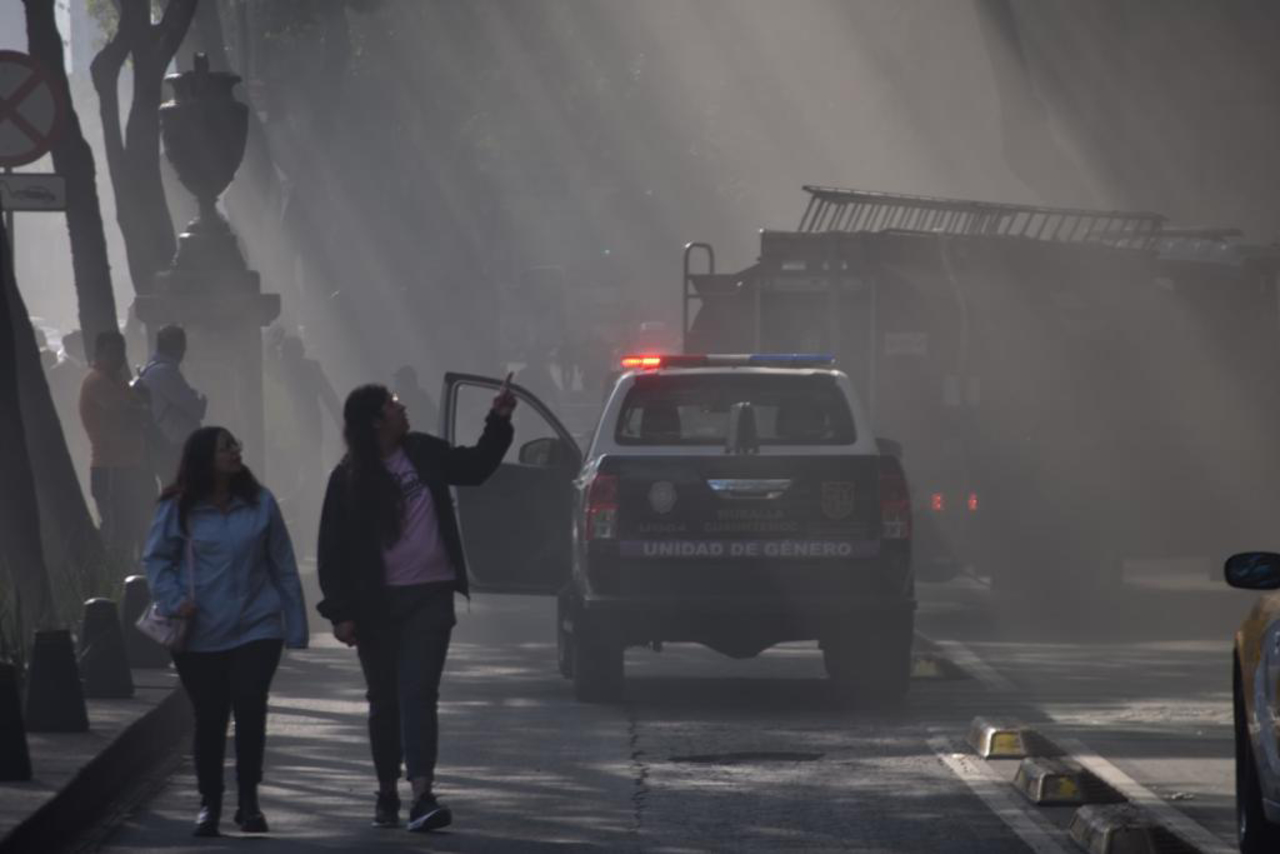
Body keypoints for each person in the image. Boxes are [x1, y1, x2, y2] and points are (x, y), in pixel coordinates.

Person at [316, 380, 516, 832]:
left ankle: (422, 793)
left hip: (431, 594)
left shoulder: (423, 452)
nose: (401, 406)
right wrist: (341, 612)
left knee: (418, 692)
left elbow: (476, 466)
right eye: (391, 403)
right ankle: (386, 790)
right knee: (385, 701)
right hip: (375, 607)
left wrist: (499, 420)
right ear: (373, 421)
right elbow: (333, 552)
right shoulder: (348, 477)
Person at [142, 426, 309, 837]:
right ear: (204, 459)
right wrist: (174, 597)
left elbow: (283, 565)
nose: (236, 451)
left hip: (258, 626)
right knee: (211, 716)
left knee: (251, 705)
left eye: (236, 444)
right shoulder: (178, 506)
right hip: (198, 632)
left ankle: (249, 800)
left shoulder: (260, 502)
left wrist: (296, 625)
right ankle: (209, 803)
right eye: (225, 448)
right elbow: (156, 560)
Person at [79, 330, 153, 561]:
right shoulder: (96, 381)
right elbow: (129, 411)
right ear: (99, 353)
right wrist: (138, 411)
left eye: (120, 351)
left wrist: (138, 411)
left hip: (130, 466)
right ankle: (112, 582)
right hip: (110, 467)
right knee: (116, 532)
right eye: (111, 352)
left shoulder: (118, 380)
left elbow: (140, 411)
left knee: (134, 526)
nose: (117, 357)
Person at [135, 325, 207, 484]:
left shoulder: (152, 368)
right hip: (175, 444)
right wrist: (200, 398)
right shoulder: (164, 372)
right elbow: (195, 407)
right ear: (177, 347)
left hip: (168, 442)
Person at [391, 365, 438, 434]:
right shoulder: (395, 397)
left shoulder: (422, 398)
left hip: (415, 437)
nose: (396, 383)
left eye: (398, 380)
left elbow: (432, 419)